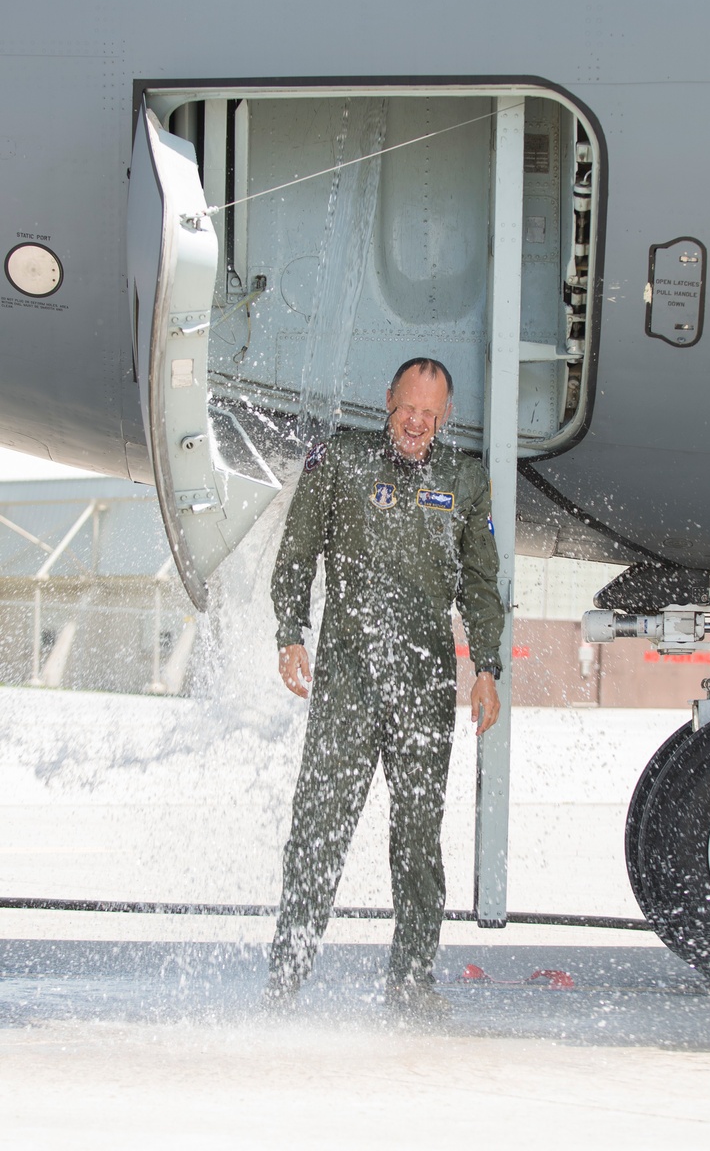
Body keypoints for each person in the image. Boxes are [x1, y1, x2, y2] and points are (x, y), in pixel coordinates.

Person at [264, 357, 504, 1018]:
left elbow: (480, 583)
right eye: (408, 409)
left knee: (418, 839)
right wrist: (291, 632)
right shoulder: (337, 462)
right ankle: (285, 977)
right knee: (316, 831)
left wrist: (487, 665)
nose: (417, 423)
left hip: (424, 689)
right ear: (388, 402)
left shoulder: (463, 479)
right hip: (346, 680)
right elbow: (296, 554)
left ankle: (411, 981)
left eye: (431, 413)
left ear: (446, 416)